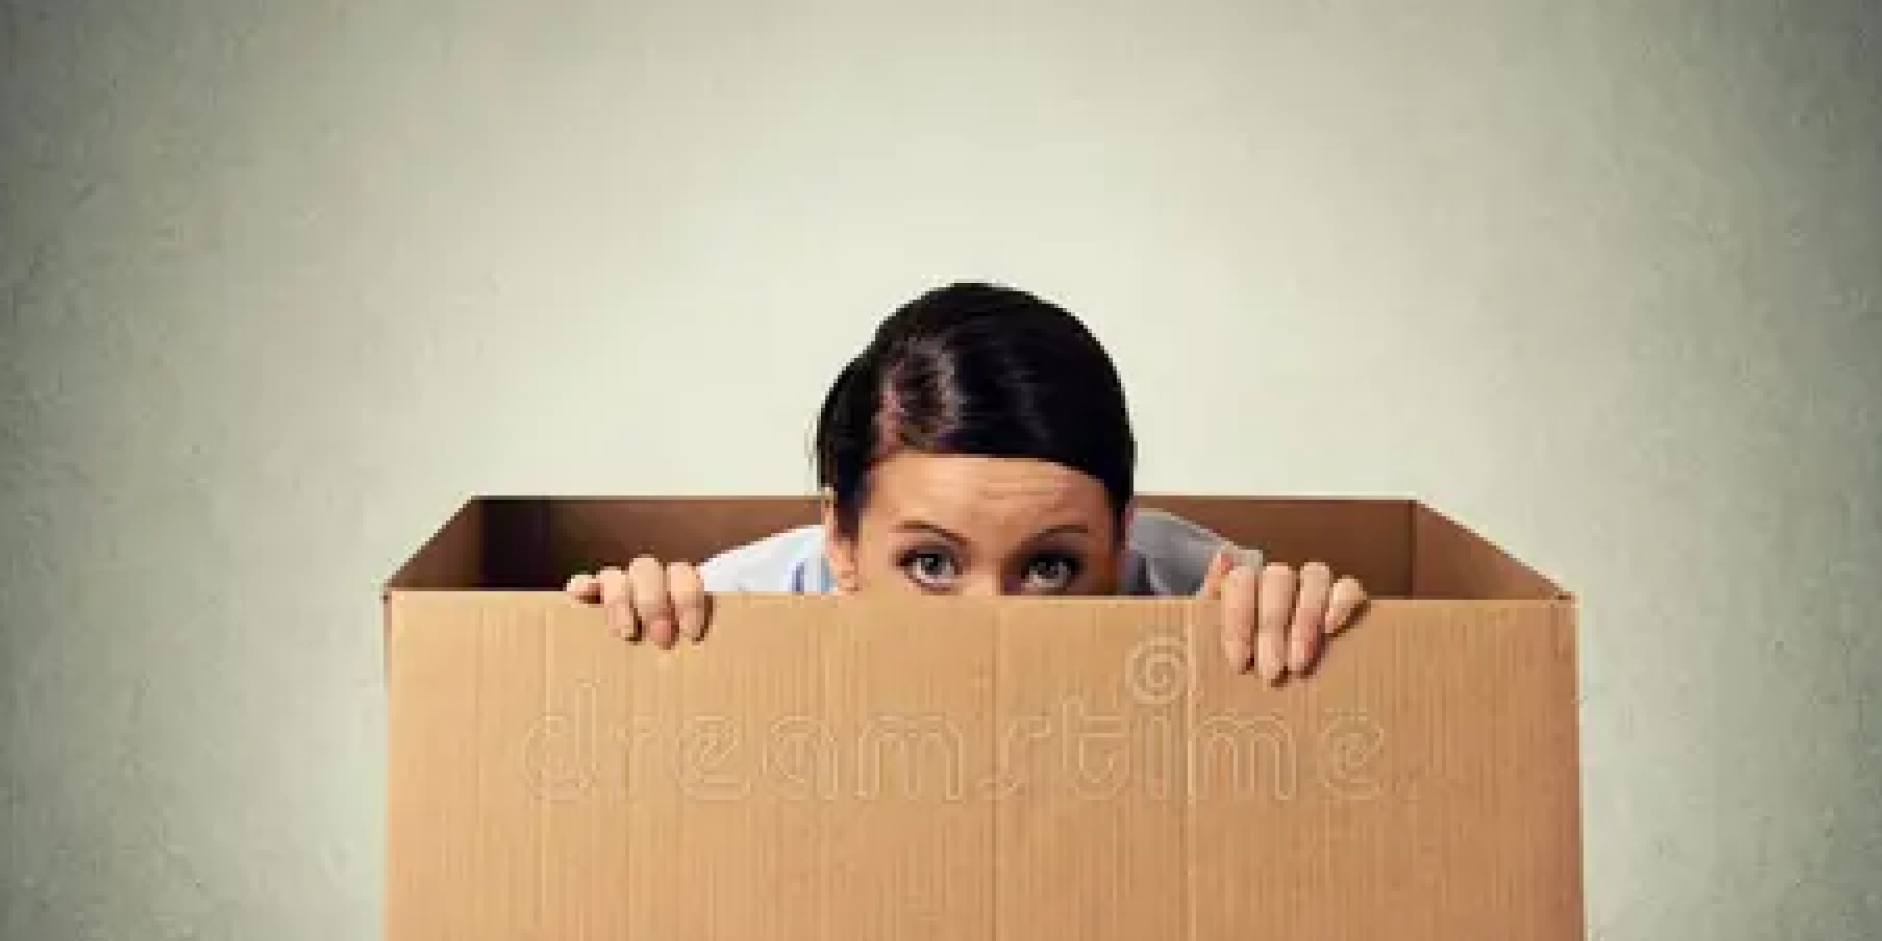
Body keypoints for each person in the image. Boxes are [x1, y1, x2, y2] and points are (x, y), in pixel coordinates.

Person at [567, 282, 1368, 680]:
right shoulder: (726, 617)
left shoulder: (1211, 598)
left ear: (1122, 539)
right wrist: (627, 650)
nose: (995, 636)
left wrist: (1312, 656)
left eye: (1051, 568)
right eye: (933, 564)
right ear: (841, 539)